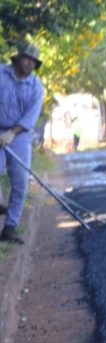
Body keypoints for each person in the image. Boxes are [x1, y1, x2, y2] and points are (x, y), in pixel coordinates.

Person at [0, 43, 45, 244]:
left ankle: (10, 228)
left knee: (20, 181)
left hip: (19, 135)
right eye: (27, 58)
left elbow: (30, 117)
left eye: (33, 61)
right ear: (17, 58)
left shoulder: (36, 87)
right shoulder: (1, 74)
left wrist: (11, 133)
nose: (29, 63)